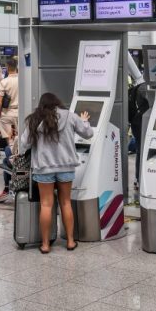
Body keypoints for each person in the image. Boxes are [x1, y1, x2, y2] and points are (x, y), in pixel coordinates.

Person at [19, 92, 93, 254]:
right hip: (66, 167)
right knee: (66, 203)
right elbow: (88, 134)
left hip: (44, 168)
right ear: (57, 103)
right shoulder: (70, 116)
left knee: (46, 205)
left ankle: (45, 245)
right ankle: (71, 242)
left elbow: (24, 144)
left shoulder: (35, 119)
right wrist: (85, 121)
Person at [127, 74, 150, 191]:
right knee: (141, 150)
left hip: (138, 121)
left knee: (140, 149)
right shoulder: (144, 87)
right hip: (141, 122)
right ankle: (139, 178)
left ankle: (138, 178)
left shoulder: (140, 86)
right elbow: (151, 99)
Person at [0, 58, 19, 145]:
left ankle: (11, 153)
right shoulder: (22, 81)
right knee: (18, 137)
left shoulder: (4, 82)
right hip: (19, 113)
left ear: (7, 67)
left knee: (10, 140)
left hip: (7, 114)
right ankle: (17, 155)